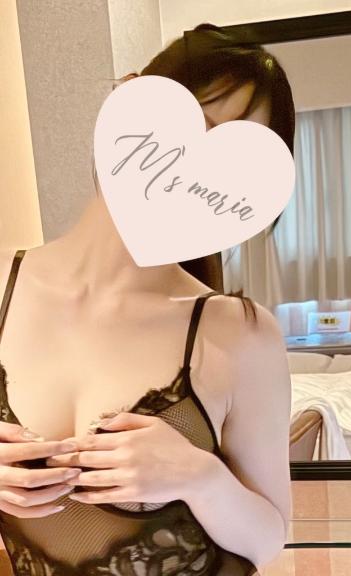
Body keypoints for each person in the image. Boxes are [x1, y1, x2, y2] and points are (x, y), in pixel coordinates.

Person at [0, 23, 295, 575]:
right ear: (127, 101)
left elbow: (266, 540)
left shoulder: (237, 332)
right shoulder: (4, 286)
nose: (195, 176)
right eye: (199, 131)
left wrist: (199, 476)